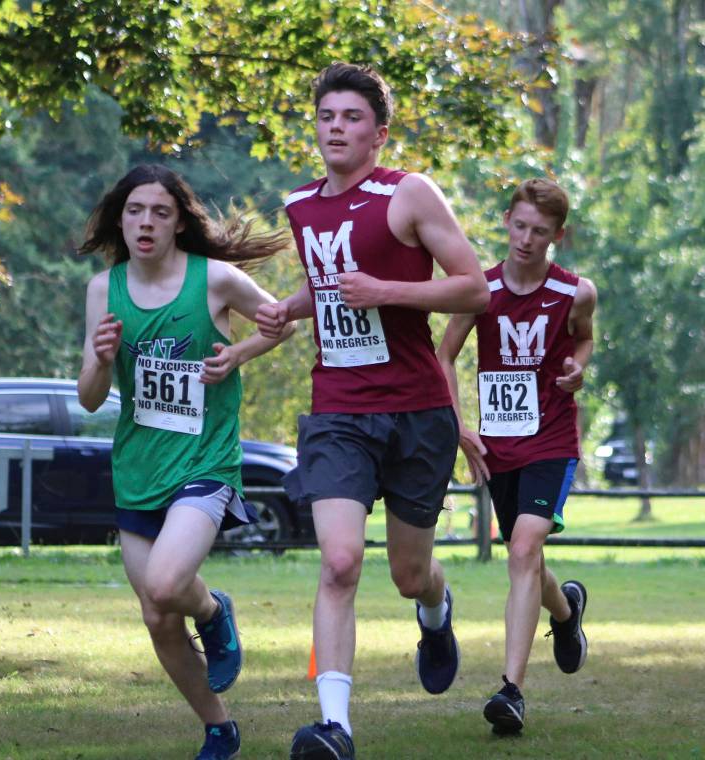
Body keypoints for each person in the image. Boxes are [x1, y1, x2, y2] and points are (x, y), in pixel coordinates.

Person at [254, 62, 489, 760]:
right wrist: (287, 309)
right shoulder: (300, 205)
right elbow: (330, 288)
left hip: (417, 411)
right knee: (339, 560)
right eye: (327, 116)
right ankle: (335, 727)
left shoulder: (409, 194)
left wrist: (388, 290)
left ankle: (435, 612)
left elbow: (474, 288)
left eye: (352, 117)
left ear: (379, 133)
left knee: (408, 573)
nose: (336, 128)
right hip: (338, 410)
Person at [77, 164, 295, 760]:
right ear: (120, 220)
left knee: (169, 585)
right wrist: (99, 359)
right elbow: (90, 397)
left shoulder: (215, 280)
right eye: (135, 211)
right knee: (156, 615)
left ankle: (214, 608)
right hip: (138, 469)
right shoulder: (105, 290)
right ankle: (219, 728)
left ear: (178, 223)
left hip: (205, 462)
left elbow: (281, 322)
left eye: (160, 212)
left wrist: (238, 354)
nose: (146, 222)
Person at [436, 178, 596, 735]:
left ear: (559, 235)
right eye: (520, 225)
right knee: (525, 556)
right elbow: (445, 354)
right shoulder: (477, 289)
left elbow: (584, 339)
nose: (527, 240)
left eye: (542, 232)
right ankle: (567, 610)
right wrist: (459, 426)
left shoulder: (576, 292)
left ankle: (511, 691)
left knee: (524, 546)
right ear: (507, 220)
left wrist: (578, 367)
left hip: (552, 439)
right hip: (498, 444)